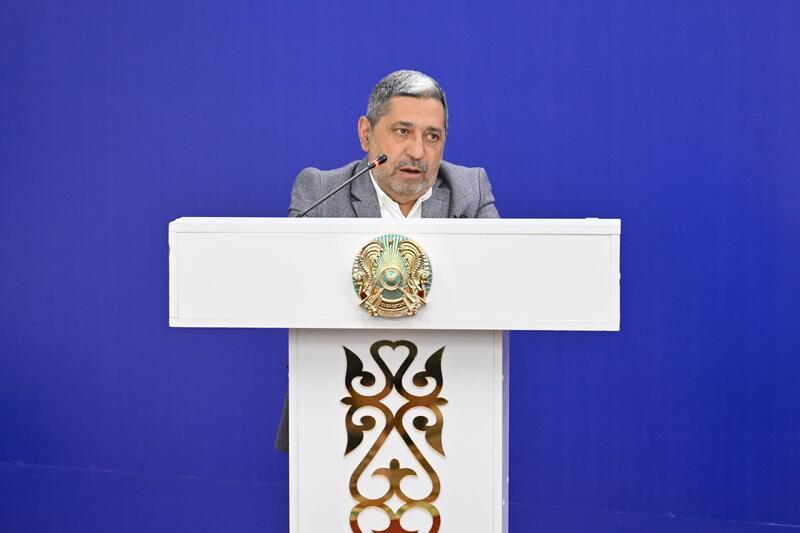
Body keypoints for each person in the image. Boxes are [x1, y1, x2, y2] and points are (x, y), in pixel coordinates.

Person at [276, 69, 499, 451]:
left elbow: (496, 284)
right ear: (366, 134)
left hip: (447, 403)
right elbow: (292, 287)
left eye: (432, 136)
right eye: (402, 132)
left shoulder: (469, 191)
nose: (418, 151)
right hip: (338, 397)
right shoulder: (321, 192)